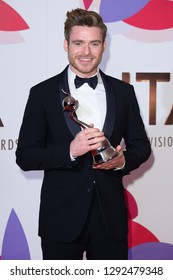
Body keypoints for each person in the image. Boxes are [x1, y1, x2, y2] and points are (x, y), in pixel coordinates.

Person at [16, 8, 151, 260]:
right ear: (66, 44)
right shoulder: (42, 94)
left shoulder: (124, 93)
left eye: (94, 43)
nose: (86, 52)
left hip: (110, 221)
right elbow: (25, 156)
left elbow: (141, 146)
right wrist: (70, 151)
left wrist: (122, 161)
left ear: (103, 46)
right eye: (78, 43)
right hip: (60, 220)